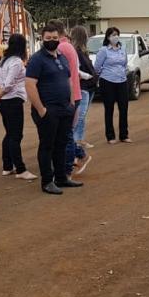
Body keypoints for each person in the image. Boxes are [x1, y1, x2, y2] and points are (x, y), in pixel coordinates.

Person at [25, 23, 83, 195]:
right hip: (48, 111)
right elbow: (30, 85)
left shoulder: (62, 57)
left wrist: (71, 103)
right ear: (42, 39)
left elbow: (69, 81)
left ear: (60, 38)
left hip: (65, 109)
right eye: (48, 38)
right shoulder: (37, 59)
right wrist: (41, 110)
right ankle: (47, 181)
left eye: (55, 38)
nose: (52, 41)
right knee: (47, 146)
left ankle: (61, 178)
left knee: (61, 144)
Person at [0, 34, 36, 181]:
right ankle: (20, 169)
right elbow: (8, 84)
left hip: (4, 101)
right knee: (15, 135)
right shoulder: (16, 62)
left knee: (10, 133)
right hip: (13, 101)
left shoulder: (4, 60)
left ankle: (7, 166)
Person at [55, 22, 88, 177]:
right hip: (74, 94)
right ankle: (79, 156)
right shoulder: (68, 47)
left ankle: (68, 168)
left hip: (69, 96)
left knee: (65, 134)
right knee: (66, 133)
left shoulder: (61, 48)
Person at [67, 25, 96, 177]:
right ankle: (77, 150)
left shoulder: (81, 51)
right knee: (78, 119)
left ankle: (78, 146)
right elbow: (76, 71)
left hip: (87, 87)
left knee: (80, 118)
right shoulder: (75, 51)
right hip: (83, 88)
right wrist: (88, 76)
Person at [94, 26, 130, 144]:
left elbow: (125, 64)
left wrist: (122, 73)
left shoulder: (122, 49)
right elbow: (97, 67)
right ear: (108, 37)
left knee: (123, 108)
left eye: (117, 34)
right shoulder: (104, 50)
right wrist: (102, 76)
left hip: (122, 81)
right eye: (113, 35)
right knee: (109, 109)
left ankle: (124, 135)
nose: (115, 37)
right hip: (108, 81)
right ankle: (110, 136)